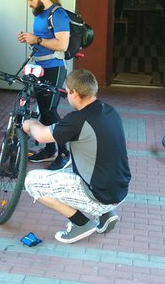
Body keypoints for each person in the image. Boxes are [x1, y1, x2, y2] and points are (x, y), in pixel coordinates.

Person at [22, 69, 132, 244]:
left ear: (74, 93)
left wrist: (31, 123)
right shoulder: (109, 110)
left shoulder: (78, 119)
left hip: (101, 195)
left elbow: (41, 136)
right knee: (78, 159)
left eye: (67, 91)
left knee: (32, 182)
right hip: (119, 189)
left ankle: (81, 224)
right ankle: (105, 215)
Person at [17, 0, 70, 170]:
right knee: (43, 110)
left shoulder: (59, 14)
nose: (29, 4)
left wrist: (37, 39)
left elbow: (62, 45)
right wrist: (30, 40)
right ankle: (49, 149)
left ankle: (64, 153)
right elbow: (43, 41)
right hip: (39, 66)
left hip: (54, 67)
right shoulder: (39, 14)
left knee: (50, 111)